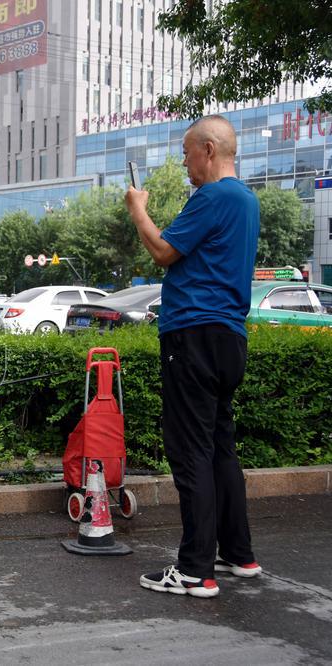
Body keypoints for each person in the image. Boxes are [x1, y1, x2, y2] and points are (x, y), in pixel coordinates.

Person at [125, 115, 262, 599]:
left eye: (186, 153)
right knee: (220, 447)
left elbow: (163, 251)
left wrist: (138, 209)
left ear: (208, 149)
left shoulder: (213, 196)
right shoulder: (247, 200)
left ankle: (195, 570)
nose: (184, 163)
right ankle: (238, 554)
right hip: (228, 337)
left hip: (194, 336)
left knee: (191, 451)